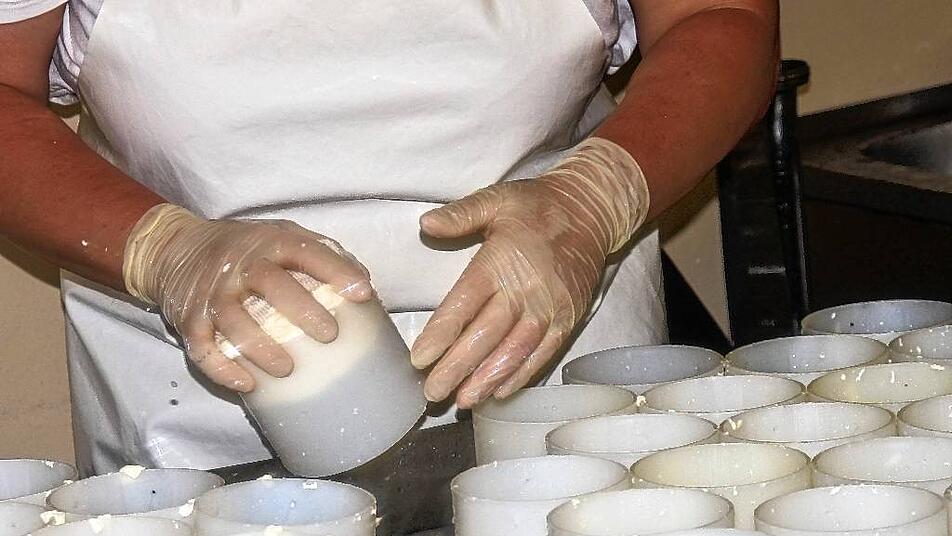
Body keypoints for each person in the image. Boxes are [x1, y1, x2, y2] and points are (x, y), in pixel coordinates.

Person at [0, 0, 779, 475]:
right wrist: (162, 250)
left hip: (555, 368)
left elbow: (720, 17)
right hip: (198, 403)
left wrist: (592, 201)